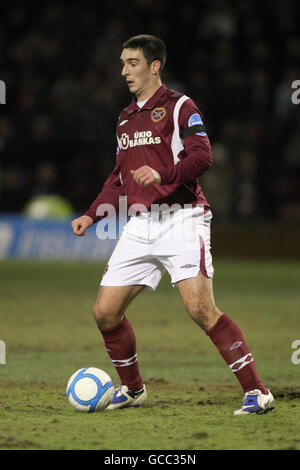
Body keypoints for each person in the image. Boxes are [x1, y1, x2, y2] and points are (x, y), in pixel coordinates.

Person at [71, 34, 274, 415]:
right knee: (105, 312)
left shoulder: (180, 106)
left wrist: (162, 173)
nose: (124, 71)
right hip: (140, 224)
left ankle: (258, 392)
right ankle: (133, 389)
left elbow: (204, 156)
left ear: (154, 65)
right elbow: (119, 176)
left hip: (182, 218)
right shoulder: (125, 119)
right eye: (122, 63)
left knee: (200, 308)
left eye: (132, 63)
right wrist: (91, 213)